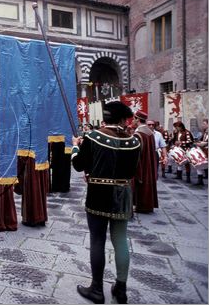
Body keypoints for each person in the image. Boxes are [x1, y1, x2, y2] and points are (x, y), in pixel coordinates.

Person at [71, 101, 141, 304]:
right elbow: (131, 170)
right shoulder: (135, 141)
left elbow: (78, 165)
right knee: (120, 240)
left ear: (106, 116)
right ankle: (121, 289)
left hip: (98, 194)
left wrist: (76, 147)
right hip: (123, 195)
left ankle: (96, 289)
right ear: (122, 119)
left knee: (97, 240)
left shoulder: (93, 137)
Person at [132, 111, 158, 213]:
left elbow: (136, 153)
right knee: (148, 181)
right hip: (149, 161)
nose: (133, 121)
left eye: (134, 118)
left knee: (141, 182)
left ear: (137, 119)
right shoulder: (149, 132)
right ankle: (147, 204)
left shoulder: (139, 133)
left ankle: (142, 205)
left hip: (142, 163)